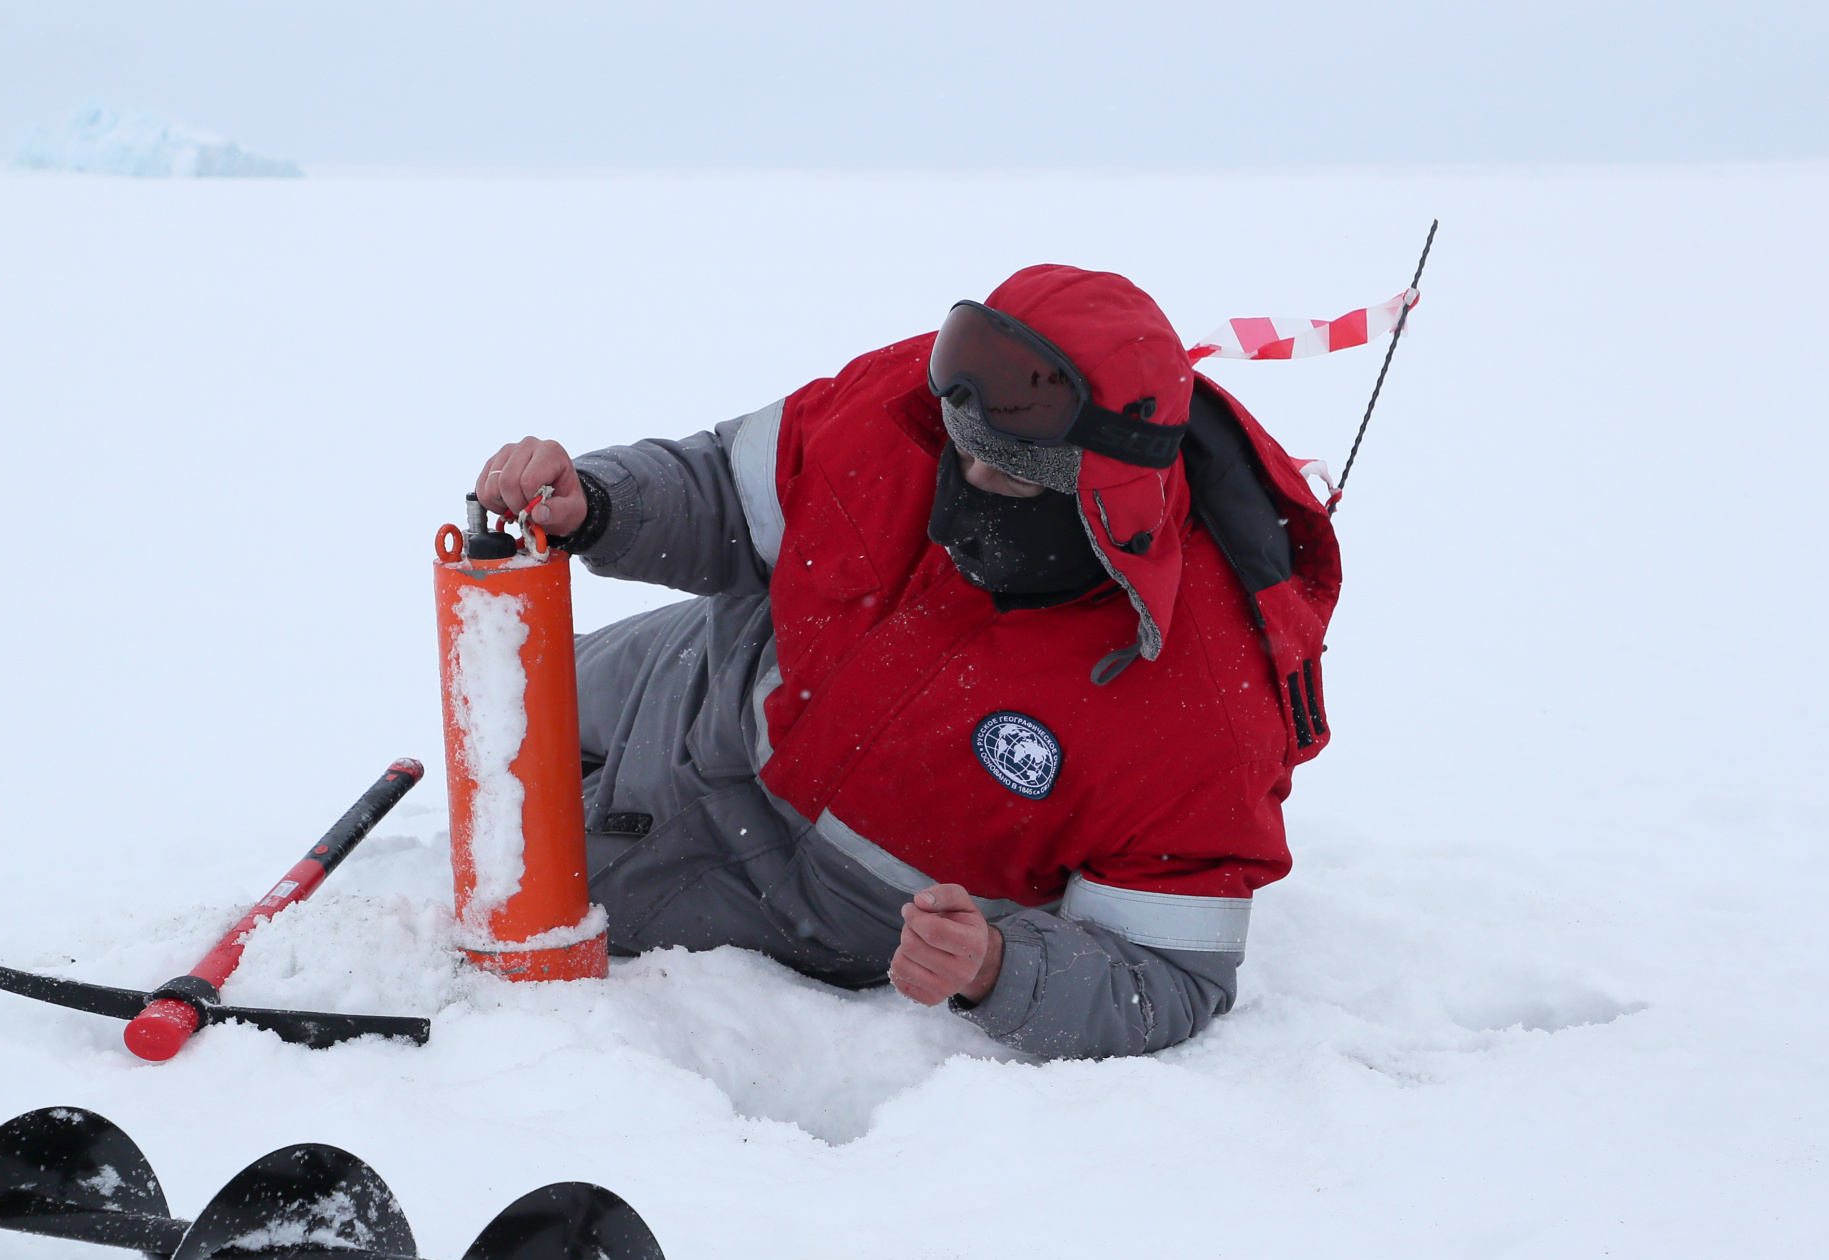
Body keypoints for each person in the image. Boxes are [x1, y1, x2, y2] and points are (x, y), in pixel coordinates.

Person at [473, 266, 1340, 1059]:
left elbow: (1173, 975)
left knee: (502, 884)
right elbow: (727, 490)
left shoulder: (1210, 706)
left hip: (792, 884)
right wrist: (602, 503)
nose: (960, 485)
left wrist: (996, 967)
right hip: (707, 669)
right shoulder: (914, 404)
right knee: (500, 708)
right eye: (959, 453)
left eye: (1004, 479)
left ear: (1108, 505)